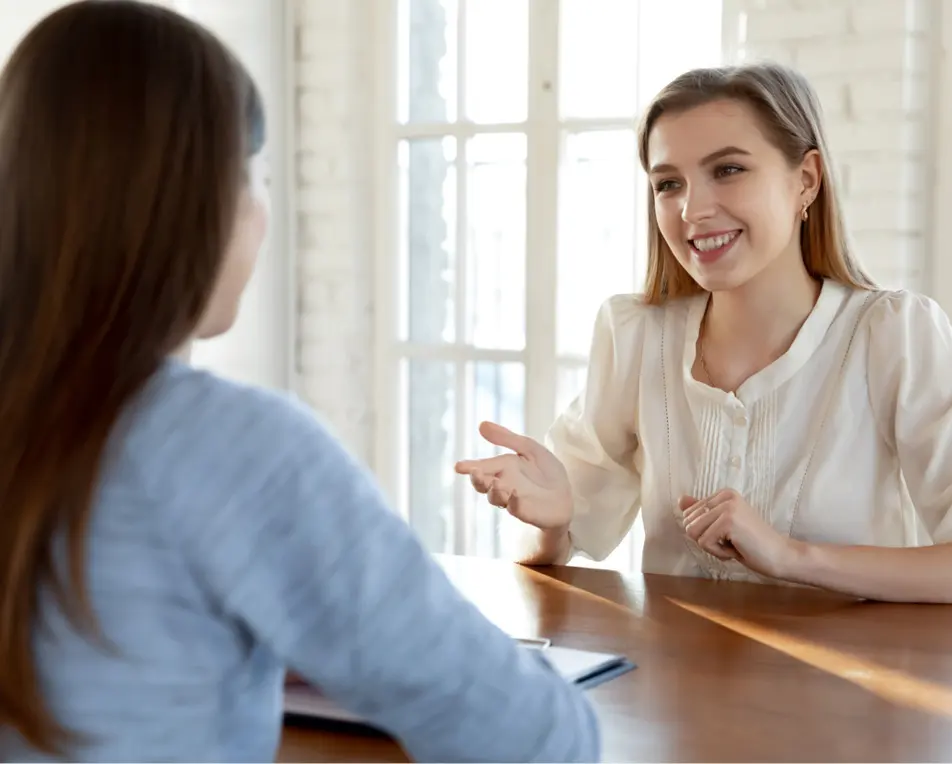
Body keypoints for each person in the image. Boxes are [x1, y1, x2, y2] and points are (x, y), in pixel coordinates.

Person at [0, 2, 599, 762]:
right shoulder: (229, 447)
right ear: (191, 202)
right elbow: (534, 738)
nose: (260, 211)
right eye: (252, 176)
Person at [456, 61, 952, 605]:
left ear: (805, 180)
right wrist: (550, 523)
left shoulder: (893, 335)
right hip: (676, 683)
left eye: (729, 170)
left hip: (847, 685)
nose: (693, 210)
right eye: (669, 183)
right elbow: (554, 547)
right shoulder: (636, 337)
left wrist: (789, 556)